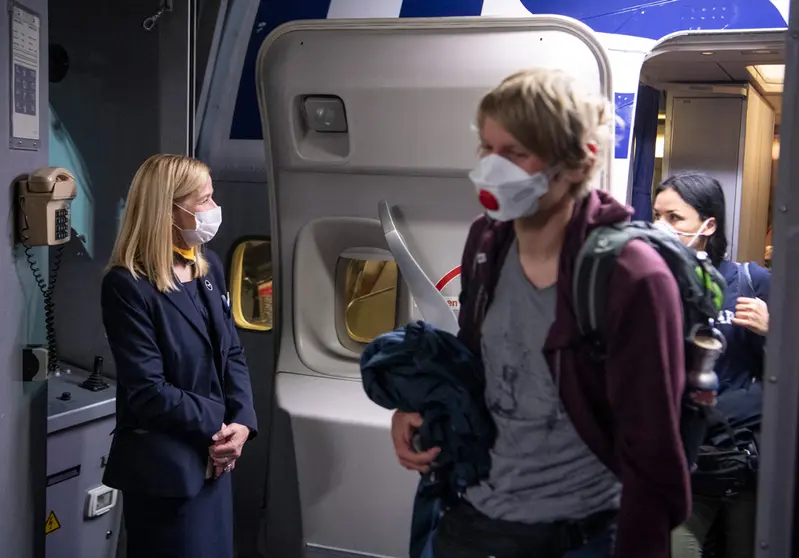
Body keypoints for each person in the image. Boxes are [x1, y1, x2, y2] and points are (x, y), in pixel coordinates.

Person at [390, 68, 691, 558]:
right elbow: (473, 364)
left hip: (576, 535)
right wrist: (423, 407)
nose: (492, 168)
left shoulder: (631, 277)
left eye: (515, 153)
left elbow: (653, 452)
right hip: (470, 517)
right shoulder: (485, 243)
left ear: (578, 162)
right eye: (487, 149)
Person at [101, 154, 258, 558]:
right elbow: (148, 392)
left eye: (212, 197)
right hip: (167, 470)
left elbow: (232, 352)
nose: (213, 210)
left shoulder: (209, 269)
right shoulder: (127, 286)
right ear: (167, 212)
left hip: (216, 462)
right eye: (202, 201)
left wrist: (241, 423)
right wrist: (220, 425)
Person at [654, 172, 770, 558]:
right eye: (656, 216)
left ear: (709, 225)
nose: (661, 228)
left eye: (674, 218)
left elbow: (784, 373)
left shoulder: (751, 282)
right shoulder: (650, 287)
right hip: (681, 466)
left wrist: (771, 332)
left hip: (743, 462)